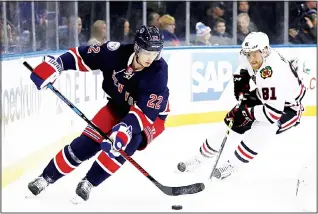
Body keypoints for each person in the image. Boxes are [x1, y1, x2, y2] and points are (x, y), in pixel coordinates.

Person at [27, 25, 170, 202]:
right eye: (148, 52)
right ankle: (45, 178)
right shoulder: (115, 53)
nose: (151, 58)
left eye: (156, 53)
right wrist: (57, 65)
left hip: (149, 118)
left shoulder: (158, 72)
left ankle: (89, 182)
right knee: (85, 144)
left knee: (125, 144)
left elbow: (145, 113)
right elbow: (81, 55)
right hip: (117, 106)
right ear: (137, 48)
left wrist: (125, 129)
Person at [177, 32, 307, 180]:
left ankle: (233, 164)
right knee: (232, 122)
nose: (251, 59)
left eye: (254, 54)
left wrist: (248, 112)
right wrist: (241, 82)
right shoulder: (249, 54)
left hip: (288, 108)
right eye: (248, 54)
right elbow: (243, 68)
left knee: (264, 127)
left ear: (264, 51)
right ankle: (199, 158)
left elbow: (272, 113)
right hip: (264, 95)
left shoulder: (273, 72)